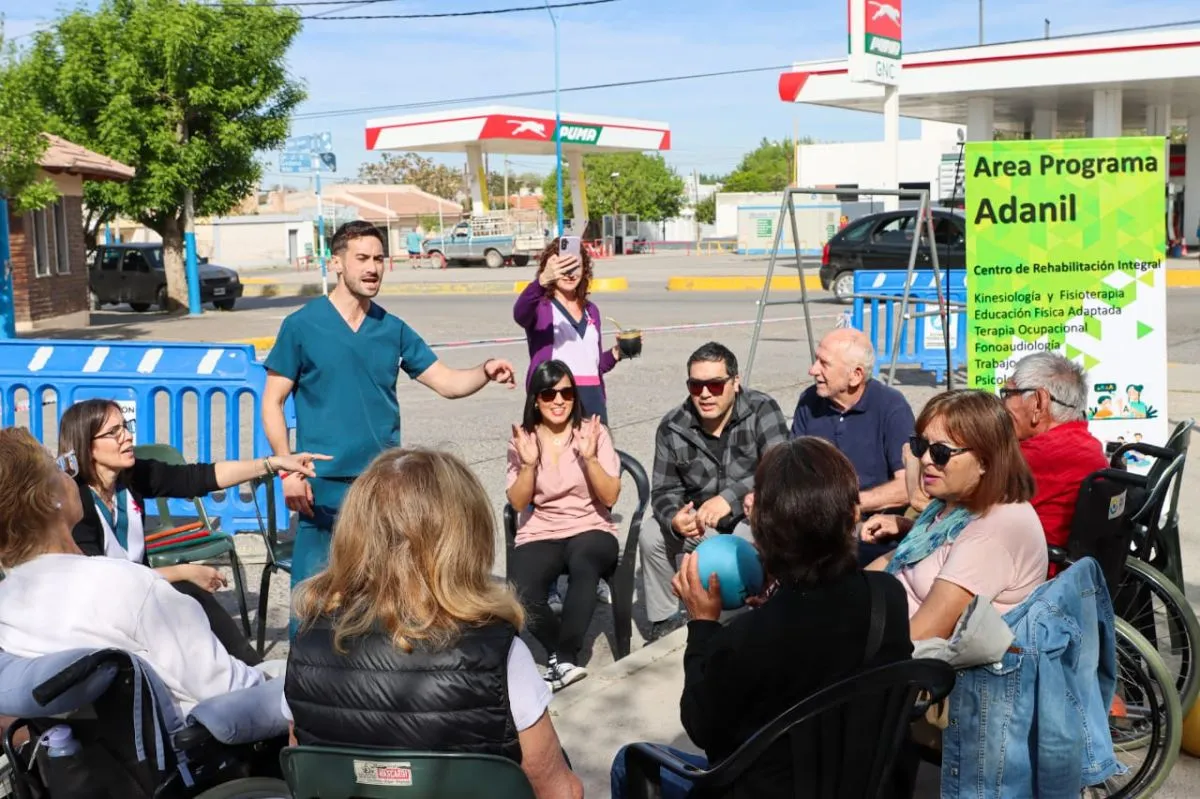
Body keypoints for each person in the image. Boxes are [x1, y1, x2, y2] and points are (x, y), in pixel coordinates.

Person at [610, 438, 913, 799]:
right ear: (853, 516)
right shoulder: (887, 598)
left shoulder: (747, 638)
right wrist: (781, 592)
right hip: (864, 785)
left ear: (764, 534)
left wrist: (702, 626)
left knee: (628, 762)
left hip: (767, 789)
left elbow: (701, 727)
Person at [284, 448, 582, 799]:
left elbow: (306, 771)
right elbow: (561, 793)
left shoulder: (307, 643)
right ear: (466, 538)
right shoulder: (499, 653)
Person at [263, 220, 516, 615]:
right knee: (313, 604)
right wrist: (289, 471)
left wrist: (484, 370)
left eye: (379, 259)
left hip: (383, 489)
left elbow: (447, 382)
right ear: (337, 263)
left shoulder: (391, 328)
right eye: (362, 258)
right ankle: (304, 677)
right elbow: (272, 401)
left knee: (382, 602)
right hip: (323, 488)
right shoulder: (301, 326)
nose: (373, 268)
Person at [0, 427, 278, 715]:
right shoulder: (130, 586)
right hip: (192, 739)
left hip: (84, 751)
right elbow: (231, 690)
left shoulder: (8, 604)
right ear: (49, 499)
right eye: (58, 467)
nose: (68, 473)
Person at [58, 398, 327, 665]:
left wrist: (273, 463)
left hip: (139, 598)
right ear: (87, 445)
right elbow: (103, 581)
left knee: (193, 602)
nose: (127, 437)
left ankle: (253, 673)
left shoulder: (128, 477)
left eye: (125, 427)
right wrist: (183, 571)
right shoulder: (76, 500)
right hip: (103, 616)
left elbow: (197, 478)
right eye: (114, 432)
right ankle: (250, 678)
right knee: (187, 592)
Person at [864, 390, 1047, 641]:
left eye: (941, 452)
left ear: (985, 461)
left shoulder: (992, 533)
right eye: (921, 446)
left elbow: (922, 634)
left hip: (920, 667)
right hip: (884, 628)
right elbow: (899, 559)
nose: (926, 459)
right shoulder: (952, 502)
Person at [641, 342, 789, 641]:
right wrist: (675, 518)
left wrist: (730, 498)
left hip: (753, 519)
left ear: (735, 382)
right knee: (652, 535)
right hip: (702, 524)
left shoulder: (762, 409)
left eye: (715, 385)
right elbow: (664, 489)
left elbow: (780, 468)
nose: (705, 394)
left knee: (737, 556)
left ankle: (740, 628)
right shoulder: (673, 426)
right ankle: (665, 624)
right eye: (696, 386)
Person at [506, 360, 621, 691]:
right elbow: (517, 502)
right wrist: (528, 465)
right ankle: (562, 657)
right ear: (535, 399)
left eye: (567, 392)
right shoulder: (523, 439)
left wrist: (590, 458)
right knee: (520, 590)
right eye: (549, 393)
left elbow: (610, 495)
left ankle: (565, 656)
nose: (559, 401)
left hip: (591, 524)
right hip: (541, 527)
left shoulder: (593, 432)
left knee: (585, 561)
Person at [790, 328, 914, 523]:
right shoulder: (809, 400)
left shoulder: (891, 407)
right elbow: (792, 469)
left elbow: (909, 485)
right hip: (811, 520)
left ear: (856, 375)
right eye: (816, 360)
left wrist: (851, 504)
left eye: (824, 363)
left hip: (870, 524)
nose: (812, 370)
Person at [513, 238, 630, 424]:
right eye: (563, 267)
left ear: (584, 270)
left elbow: (594, 365)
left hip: (592, 398)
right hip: (556, 397)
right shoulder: (541, 306)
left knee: (596, 452)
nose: (569, 274)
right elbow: (520, 314)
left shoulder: (591, 310)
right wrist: (541, 281)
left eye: (575, 267)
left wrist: (618, 352)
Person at [1000, 352, 1107, 559]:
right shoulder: (1084, 442)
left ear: (1039, 402)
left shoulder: (1042, 455)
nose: (1002, 404)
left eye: (1007, 394)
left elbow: (973, 504)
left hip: (1035, 573)